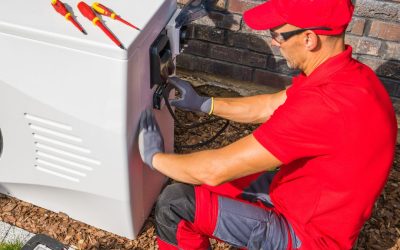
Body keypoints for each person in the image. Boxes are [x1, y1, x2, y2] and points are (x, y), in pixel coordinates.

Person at [138, 0, 397, 249]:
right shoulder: (352, 77)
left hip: (307, 236)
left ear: (309, 39)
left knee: (175, 205)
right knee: (211, 188)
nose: (274, 42)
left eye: (278, 34)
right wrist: (205, 103)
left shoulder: (323, 105)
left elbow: (214, 169)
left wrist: (154, 158)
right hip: (310, 200)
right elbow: (271, 105)